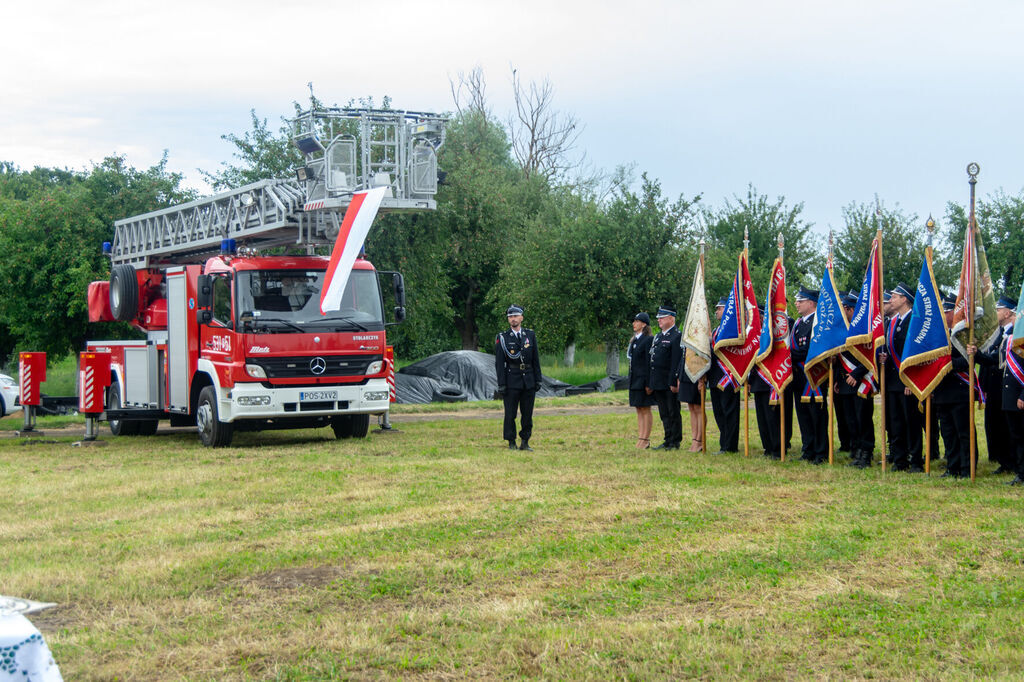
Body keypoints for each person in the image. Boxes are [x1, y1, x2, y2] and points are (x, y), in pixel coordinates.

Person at [879, 282, 924, 472]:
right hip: (891, 380)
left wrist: (911, 380)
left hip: (907, 381)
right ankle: (899, 460)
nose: (891, 300)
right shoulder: (891, 322)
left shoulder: (915, 321)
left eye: (895, 296)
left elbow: (916, 353)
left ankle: (915, 461)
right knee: (895, 422)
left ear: (905, 299)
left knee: (911, 422)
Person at [971, 296, 1016, 474]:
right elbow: (990, 361)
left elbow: (998, 360)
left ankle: (1011, 461)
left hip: (1006, 385)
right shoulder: (999, 332)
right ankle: (1002, 459)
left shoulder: (1014, 333)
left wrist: (978, 355)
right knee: (996, 424)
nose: (995, 313)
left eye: (998, 310)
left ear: (1007, 312)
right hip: (995, 386)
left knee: (1007, 426)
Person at [834, 293, 875, 468]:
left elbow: (870, 355)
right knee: (850, 419)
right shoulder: (843, 328)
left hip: (861, 380)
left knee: (862, 418)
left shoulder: (863, 328)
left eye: (843, 308)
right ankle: (856, 450)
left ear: (850, 309)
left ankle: (866, 452)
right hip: (844, 382)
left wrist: (857, 374)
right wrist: (837, 379)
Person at [933, 293, 971, 478]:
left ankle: (966, 468)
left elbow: (966, 362)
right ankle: (952, 467)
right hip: (942, 392)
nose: (942, 314)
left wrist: (946, 364)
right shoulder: (939, 334)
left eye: (945, 310)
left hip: (959, 390)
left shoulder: (962, 335)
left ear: (952, 313)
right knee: (947, 432)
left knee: (963, 432)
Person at [495, 305, 542, 451]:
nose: (513, 319)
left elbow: (535, 359)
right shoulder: (502, 338)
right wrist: (501, 383)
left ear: (521, 317)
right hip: (511, 380)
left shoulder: (530, 335)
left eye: (515, 316)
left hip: (528, 379)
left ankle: (525, 441)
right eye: (510, 316)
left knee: (527, 414)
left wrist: (538, 379)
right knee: (510, 414)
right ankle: (511, 442)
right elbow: (499, 363)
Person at [791, 286, 828, 463]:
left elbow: (811, 350)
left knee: (817, 416)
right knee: (803, 416)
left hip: (814, 377)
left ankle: (821, 452)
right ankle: (808, 450)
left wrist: (787, 356)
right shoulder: (798, 324)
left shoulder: (818, 322)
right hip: (799, 377)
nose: (796, 303)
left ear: (811, 303)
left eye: (801, 300)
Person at [648, 306, 683, 450]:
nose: (659, 320)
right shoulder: (659, 336)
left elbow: (675, 361)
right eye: (658, 318)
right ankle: (667, 439)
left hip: (669, 382)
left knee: (673, 411)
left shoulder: (676, 336)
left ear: (671, 318)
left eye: (662, 317)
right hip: (658, 381)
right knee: (663, 413)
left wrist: (674, 381)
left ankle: (675, 441)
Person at [708, 298, 740, 454]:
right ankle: (724, 443)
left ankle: (731, 445)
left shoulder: (733, 330)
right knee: (719, 412)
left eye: (719, 308)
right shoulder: (715, 331)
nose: (717, 311)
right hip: (715, 376)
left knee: (730, 412)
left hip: (728, 377)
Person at [627, 312, 656, 449]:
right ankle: (641, 437)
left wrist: (649, 383)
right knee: (639, 408)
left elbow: (648, 363)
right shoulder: (635, 340)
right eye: (634, 321)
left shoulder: (647, 339)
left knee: (645, 408)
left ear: (644, 324)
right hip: (634, 379)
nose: (634, 324)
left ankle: (646, 438)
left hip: (643, 380)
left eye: (637, 321)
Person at [678, 348, 705, 452]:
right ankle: (694, 439)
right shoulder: (688, 333)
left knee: (698, 408)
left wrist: (701, 378)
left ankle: (700, 440)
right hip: (686, 371)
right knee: (691, 407)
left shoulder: (700, 332)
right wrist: (679, 376)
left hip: (697, 371)